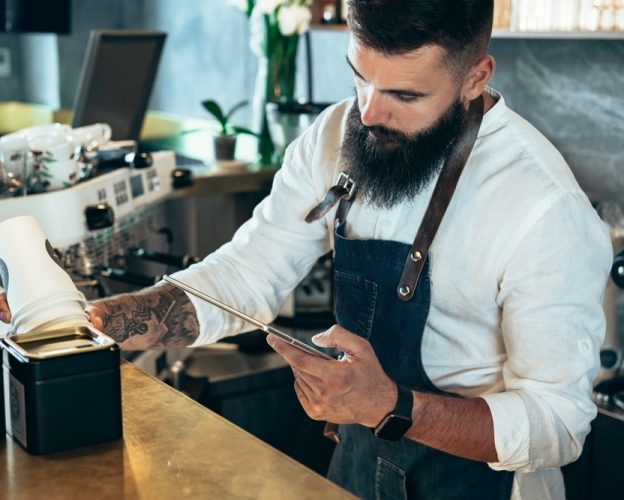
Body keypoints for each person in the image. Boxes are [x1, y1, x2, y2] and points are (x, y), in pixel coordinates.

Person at [0, 1, 612, 498]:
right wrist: (100, 320)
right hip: (354, 465)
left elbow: (558, 424)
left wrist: (390, 405)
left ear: (475, 78)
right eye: (359, 77)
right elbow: (249, 273)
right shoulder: (336, 134)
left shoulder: (542, 207)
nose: (369, 113)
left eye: (405, 96)